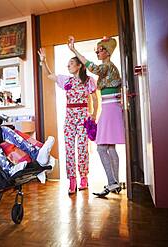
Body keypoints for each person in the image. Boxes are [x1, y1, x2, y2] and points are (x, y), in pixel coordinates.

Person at [67, 36, 125, 197]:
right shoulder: (109, 67)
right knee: (110, 147)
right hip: (111, 107)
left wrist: (74, 50)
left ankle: (112, 182)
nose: (97, 52)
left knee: (101, 148)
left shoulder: (106, 66)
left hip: (110, 108)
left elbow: (91, 66)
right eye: (97, 50)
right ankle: (115, 183)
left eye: (100, 50)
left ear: (107, 52)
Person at [38, 47, 98, 195]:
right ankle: (72, 180)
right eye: (68, 64)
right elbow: (50, 75)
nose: (68, 65)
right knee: (70, 150)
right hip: (69, 119)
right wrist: (44, 61)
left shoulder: (88, 80)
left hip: (83, 118)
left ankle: (84, 177)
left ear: (79, 66)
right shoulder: (66, 80)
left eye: (71, 63)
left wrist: (94, 114)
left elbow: (95, 99)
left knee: (83, 149)